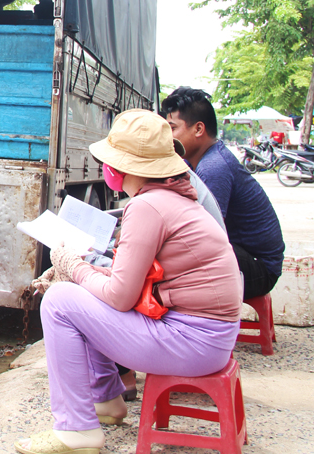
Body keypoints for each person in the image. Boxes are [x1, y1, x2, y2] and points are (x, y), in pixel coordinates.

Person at [17, 109, 242, 454]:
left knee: (60, 302)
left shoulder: (148, 207)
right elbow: (128, 282)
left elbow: (120, 296)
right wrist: (77, 272)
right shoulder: (171, 198)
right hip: (210, 337)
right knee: (77, 292)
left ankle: (77, 431)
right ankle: (106, 401)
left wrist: (70, 265)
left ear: (120, 168)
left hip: (193, 340)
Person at [161, 87, 285, 300]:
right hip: (242, 254)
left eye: (172, 128)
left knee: (172, 258)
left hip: (259, 269)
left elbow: (201, 234)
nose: (167, 137)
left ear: (198, 129)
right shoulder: (194, 161)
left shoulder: (213, 167)